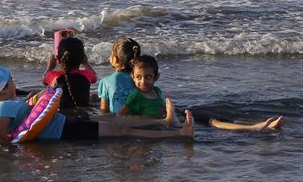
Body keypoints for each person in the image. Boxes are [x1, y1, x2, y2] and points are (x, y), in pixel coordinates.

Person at [0, 65, 194, 144]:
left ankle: (163, 121)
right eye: (11, 80)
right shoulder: (1, 108)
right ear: (2, 88)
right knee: (122, 129)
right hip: (64, 131)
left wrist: (32, 103)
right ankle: (178, 135)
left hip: (62, 122)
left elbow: (14, 121)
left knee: (112, 118)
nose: (15, 83)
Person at [116, 53, 284, 131]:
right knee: (211, 122)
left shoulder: (158, 91)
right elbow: (120, 117)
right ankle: (253, 128)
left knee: (212, 119)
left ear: (156, 77)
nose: (143, 81)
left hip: (178, 117)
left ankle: (255, 126)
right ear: (133, 76)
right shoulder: (135, 95)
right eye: (138, 77)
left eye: (148, 77)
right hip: (170, 124)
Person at [43, 32, 97, 108]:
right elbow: (95, 77)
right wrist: (86, 64)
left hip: (62, 114)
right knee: (94, 96)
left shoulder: (53, 76)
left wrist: (50, 67)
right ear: (83, 58)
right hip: (83, 113)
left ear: (58, 59)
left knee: (39, 93)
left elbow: (44, 80)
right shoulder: (87, 74)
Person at [98, 36, 139, 114]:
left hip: (117, 122)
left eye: (111, 54)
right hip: (137, 121)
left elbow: (103, 110)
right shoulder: (140, 80)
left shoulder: (105, 81)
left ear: (115, 59)